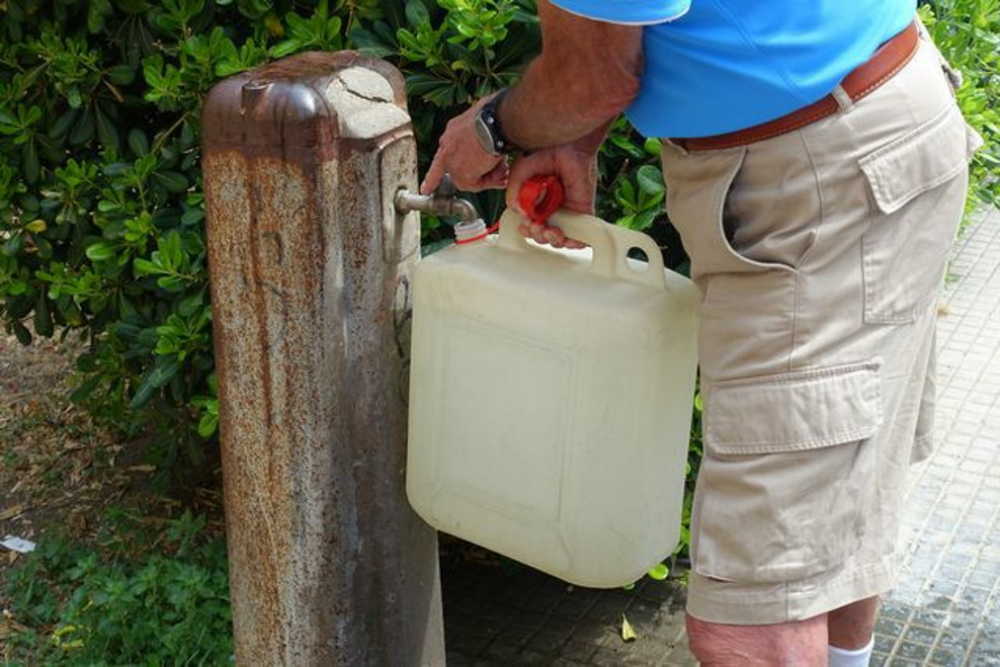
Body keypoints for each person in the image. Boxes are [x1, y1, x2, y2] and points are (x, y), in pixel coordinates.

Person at [421, 1, 981, 664]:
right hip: (874, 118)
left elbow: (593, 74)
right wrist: (572, 133)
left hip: (818, 178)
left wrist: (493, 126)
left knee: (750, 621)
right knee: (834, 515)